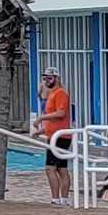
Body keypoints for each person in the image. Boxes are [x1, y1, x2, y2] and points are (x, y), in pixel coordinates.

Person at [37, 68, 74, 202]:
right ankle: (62, 199)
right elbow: (55, 120)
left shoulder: (60, 93)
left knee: (51, 168)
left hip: (59, 137)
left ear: (56, 79)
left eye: (49, 78)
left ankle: (56, 199)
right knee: (61, 168)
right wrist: (41, 130)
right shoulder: (53, 94)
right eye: (45, 78)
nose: (46, 81)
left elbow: (61, 113)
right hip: (56, 135)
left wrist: (41, 118)